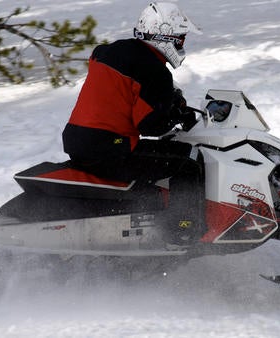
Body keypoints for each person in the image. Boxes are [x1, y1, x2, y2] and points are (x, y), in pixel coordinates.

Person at [62, 2, 204, 247]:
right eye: (179, 39)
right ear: (163, 34)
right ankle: (183, 230)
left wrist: (167, 102)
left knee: (156, 157)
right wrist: (178, 115)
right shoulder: (154, 69)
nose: (181, 44)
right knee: (188, 160)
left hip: (78, 140)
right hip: (110, 147)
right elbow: (151, 126)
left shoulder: (111, 51)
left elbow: (124, 98)